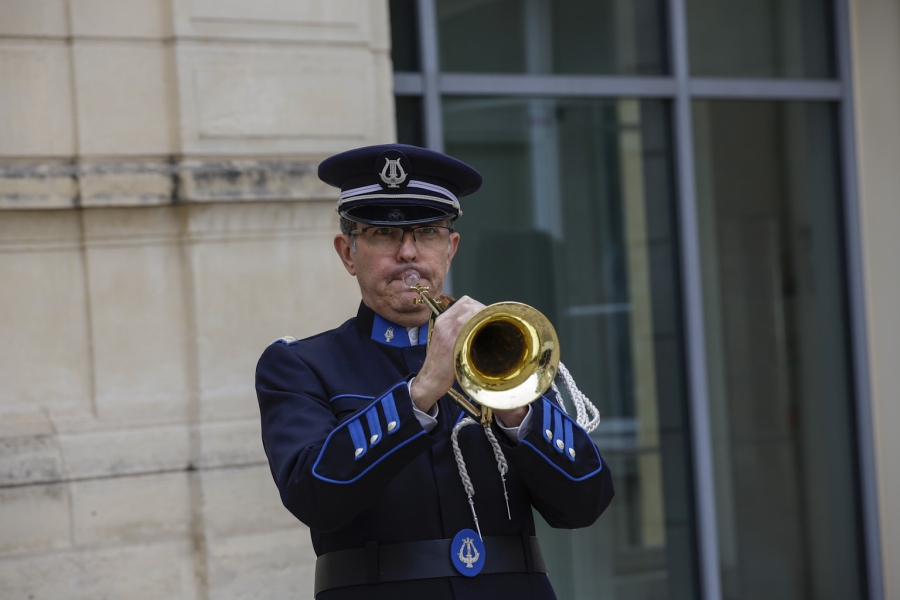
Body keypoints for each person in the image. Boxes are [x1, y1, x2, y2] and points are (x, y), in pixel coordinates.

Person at [255, 144, 614, 599]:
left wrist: (516, 408)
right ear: (348, 253)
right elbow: (314, 495)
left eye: (426, 233)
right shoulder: (301, 365)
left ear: (451, 248)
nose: (409, 253)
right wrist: (419, 393)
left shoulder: (496, 352)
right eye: (385, 234)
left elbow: (586, 502)